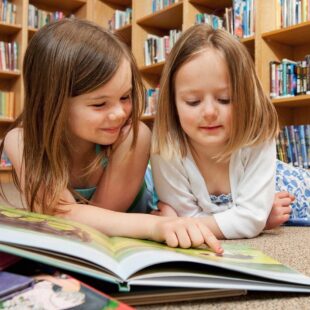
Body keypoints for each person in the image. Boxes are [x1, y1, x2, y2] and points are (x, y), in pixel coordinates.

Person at [0, 19, 223, 253]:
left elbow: (99, 220)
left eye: (125, 97)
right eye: (99, 104)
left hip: (160, 203)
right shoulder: (22, 141)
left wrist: (161, 222)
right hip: (148, 222)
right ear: (52, 103)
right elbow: (62, 214)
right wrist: (155, 225)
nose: (119, 114)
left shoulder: (133, 137)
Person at [151, 24, 310, 239]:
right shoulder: (166, 149)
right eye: (193, 101)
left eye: (225, 99)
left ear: (245, 97)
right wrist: (250, 219)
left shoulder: (257, 137)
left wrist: (253, 220)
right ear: (172, 102)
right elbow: (186, 225)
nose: (208, 112)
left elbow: (187, 222)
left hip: (296, 194)